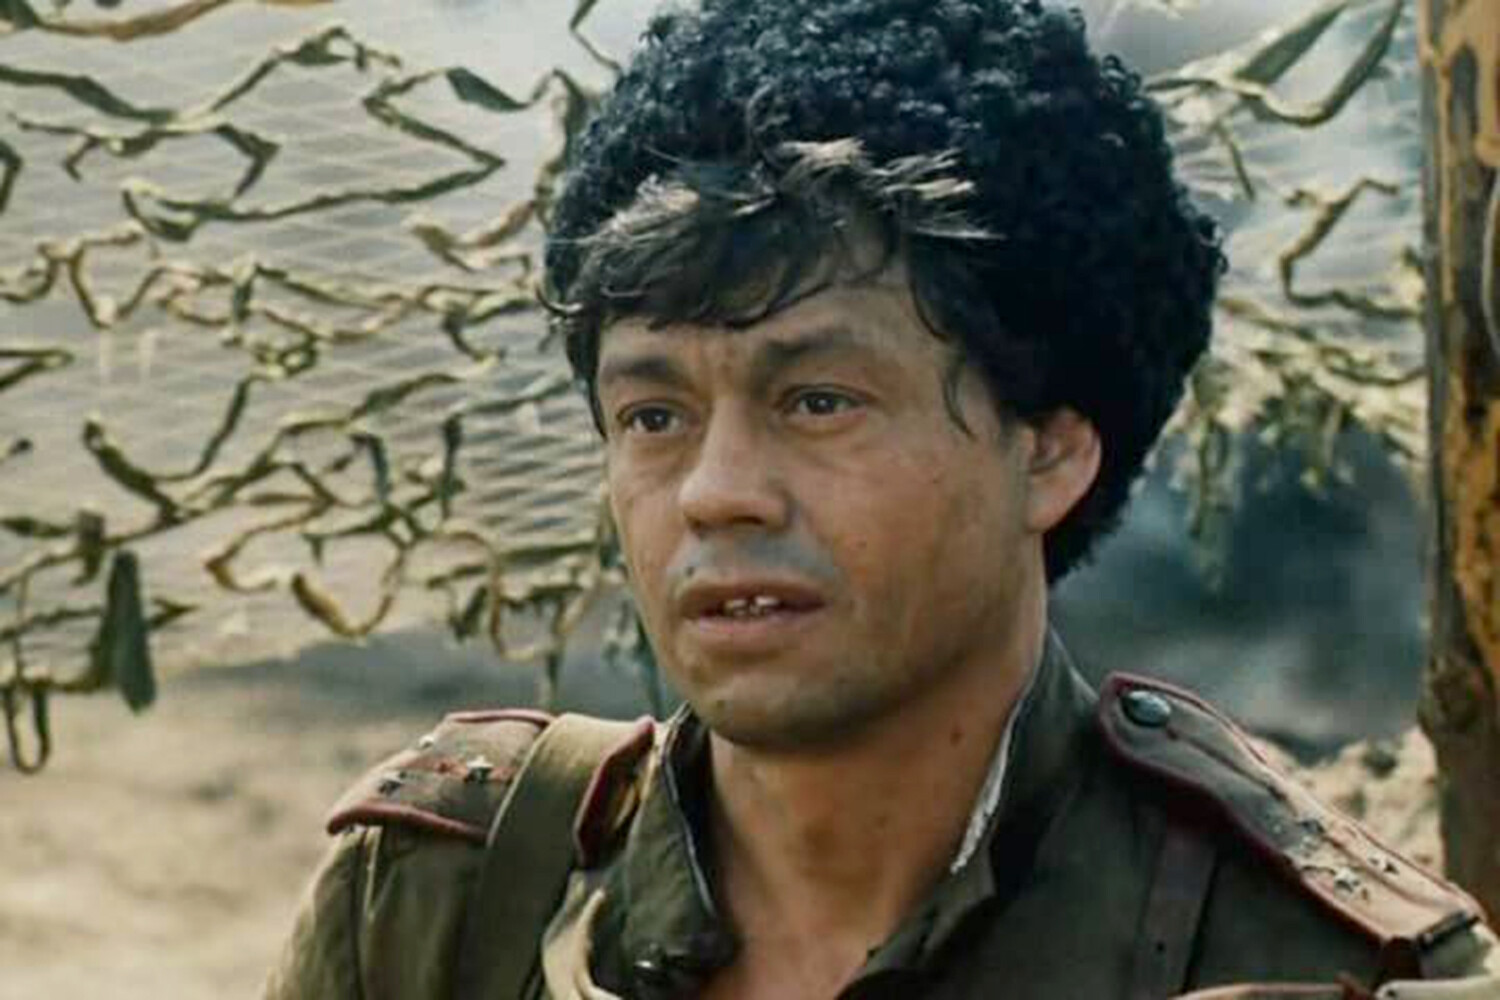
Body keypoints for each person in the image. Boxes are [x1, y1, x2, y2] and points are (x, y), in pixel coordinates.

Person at [263, 1, 1500, 997]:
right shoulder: (442, 904)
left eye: (818, 401)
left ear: (1050, 453)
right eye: (654, 415)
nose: (716, 493)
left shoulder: (1319, 965)